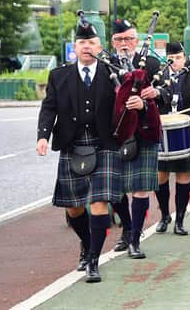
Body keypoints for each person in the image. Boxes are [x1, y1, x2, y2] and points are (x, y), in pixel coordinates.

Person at [36, 20, 122, 283]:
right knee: (73, 208)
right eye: (82, 43)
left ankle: (93, 261)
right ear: (75, 47)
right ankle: (87, 243)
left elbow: (125, 105)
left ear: (100, 47)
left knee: (99, 203)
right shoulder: (59, 75)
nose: (87, 47)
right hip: (73, 144)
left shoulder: (113, 74)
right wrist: (43, 136)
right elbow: (49, 107)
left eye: (92, 43)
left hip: (104, 142)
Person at [107, 18, 161, 259]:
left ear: (137, 40)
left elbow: (170, 91)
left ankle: (135, 240)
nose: (124, 44)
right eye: (119, 40)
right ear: (112, 42)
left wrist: (154, 94)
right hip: (116, 133)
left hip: (144, 129)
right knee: (114, 191)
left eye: (128, 39)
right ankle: (127, 228)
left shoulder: (151, 62)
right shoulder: (104, 63)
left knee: (140, 190)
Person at [155, 42, 190, 236]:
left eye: (178, 57)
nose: (174, 61)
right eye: (171, 58)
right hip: (163, 133)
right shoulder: (158, 81)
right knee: (161, 177)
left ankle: (180, 220)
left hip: (188, 133)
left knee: (184, 177)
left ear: (184, 58)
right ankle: (164, 216)